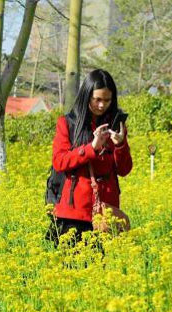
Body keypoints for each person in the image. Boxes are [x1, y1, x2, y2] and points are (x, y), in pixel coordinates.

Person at [47, 69, 132, 244]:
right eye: (97, 99)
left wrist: (120, 145)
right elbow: (59, 161)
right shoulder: (68, 123)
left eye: (107, 100)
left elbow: (124, 170)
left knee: (103, 269)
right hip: (74, 212)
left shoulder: (116, 125)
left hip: (105, 212)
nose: (102, 105)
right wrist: (91, 147)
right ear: (87, 96)